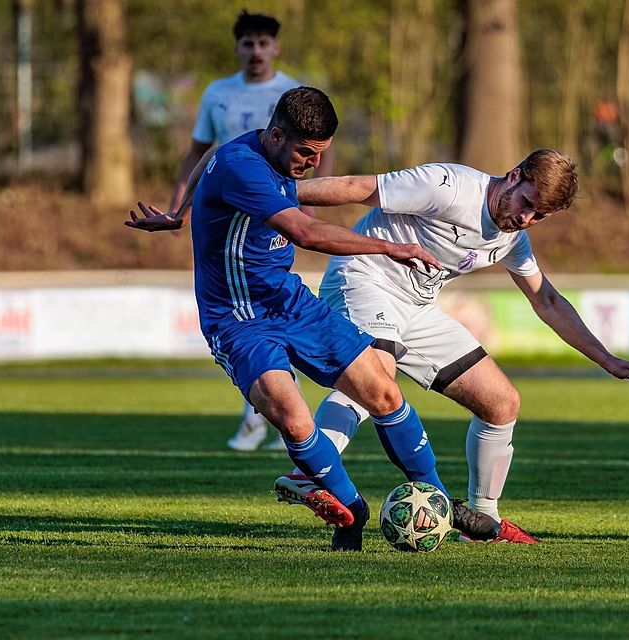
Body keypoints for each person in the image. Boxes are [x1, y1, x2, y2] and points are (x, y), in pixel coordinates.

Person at [126, 87, 520, 550]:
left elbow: (207, 156)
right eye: (306, 152)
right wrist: (394, 247)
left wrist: (180, 213)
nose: (313, 164)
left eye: (321, 153)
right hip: (237, 321)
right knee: (293, 420)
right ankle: (352, 512)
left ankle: (438, 501)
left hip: (290, 302)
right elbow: (306, 232)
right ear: (276, 136)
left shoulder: (249, 149)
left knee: (383, 391)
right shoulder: (243, 168)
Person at [271, 150, 629, 543]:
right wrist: (271, 195)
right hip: (364, 279)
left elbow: (548, 301)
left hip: (417, 307)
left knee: (501, 402)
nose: (526, 218)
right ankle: (308, 475)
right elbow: (358, 187)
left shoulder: (511, 239)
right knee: (376, 377)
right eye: (526, 203)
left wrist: (606, 359)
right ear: (513, 175)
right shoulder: (450, 187)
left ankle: (480, 521)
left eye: (538, 215)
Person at [170, 10, 333, 453]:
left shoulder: (292, 93)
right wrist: (180, 206)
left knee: (269, 305)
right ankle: (264, 418)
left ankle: (282, 416)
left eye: (264, 43)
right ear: (237, 48)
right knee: (242, 313)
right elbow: (204, 153)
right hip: (227, 218)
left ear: (275, 48)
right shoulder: (217, 94)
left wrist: (307, 211)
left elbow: (320, 154)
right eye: (248, 43)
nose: (256, 51)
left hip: (274, 217)